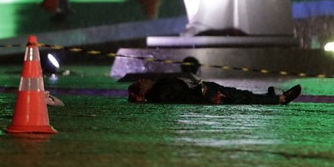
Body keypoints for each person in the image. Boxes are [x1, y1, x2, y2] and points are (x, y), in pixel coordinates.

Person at [127, 57, 302, 105]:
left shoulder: (160, 86)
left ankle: (268, 98)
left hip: (206, 89)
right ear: (141, 93)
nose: (142, 79)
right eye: (138, 83)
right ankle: (280, 99)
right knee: (242, 98)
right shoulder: (159, 92)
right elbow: (182, 100)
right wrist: (207, 99)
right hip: (207, 94)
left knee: (242, 95)